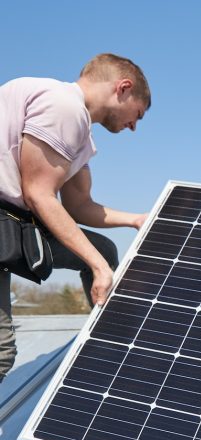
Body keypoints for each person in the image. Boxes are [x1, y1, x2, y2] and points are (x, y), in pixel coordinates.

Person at [0, 53, 151, 381]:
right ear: (123, 88)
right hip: (6, 224)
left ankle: (113, 350)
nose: (134, 127)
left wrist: (137, 219)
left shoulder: (80, 132)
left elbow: (79, 205)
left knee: (104, 250)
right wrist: (98, 269)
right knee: (0, 352)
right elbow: (38, 194)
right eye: (137, 114)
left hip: (10, 230)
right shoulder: (63, 106)